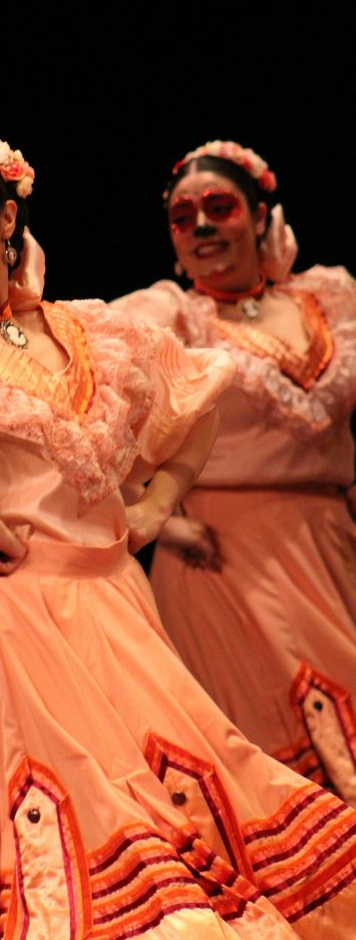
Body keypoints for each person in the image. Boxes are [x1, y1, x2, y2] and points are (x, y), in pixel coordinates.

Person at [0, 135, 356, 938]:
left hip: (118, 604)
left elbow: (194, 397)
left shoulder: (89, 329)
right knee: (85, 814)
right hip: (23, 616)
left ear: (7, 217)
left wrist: (156, 506)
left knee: (187, 792)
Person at [111, 139, 356, 806]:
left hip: (329, 544)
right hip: (220, 557)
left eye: (218, 208)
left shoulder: (326, 298)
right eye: (181, 217)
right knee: (270, 748)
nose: (200, 227)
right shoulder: (171, 317)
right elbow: (93, 408)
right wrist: (156, 515)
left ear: (260, 216)